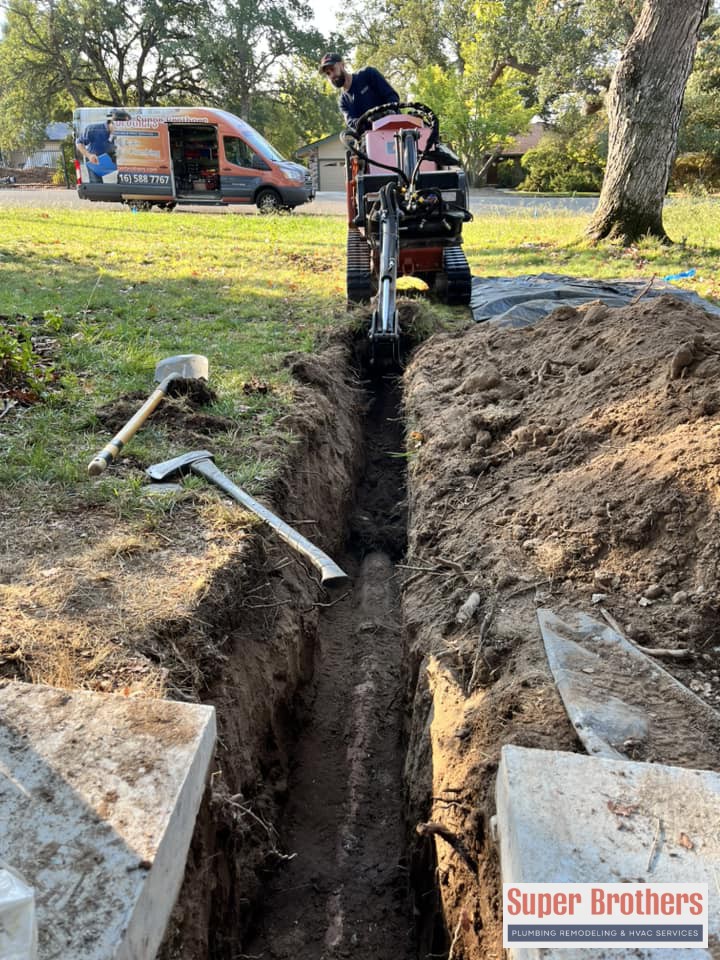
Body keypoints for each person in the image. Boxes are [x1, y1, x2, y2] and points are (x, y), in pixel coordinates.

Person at [319, 53, 399, 130]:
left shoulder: (368, 74)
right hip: (373, 136)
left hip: (396, 128)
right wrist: (368, 121)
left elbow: (392, 96)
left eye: (332, 69)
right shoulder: (343, 102)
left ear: (342, 64)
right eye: (328, 73)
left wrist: (384, 114)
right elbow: (352, 123)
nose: (332, 75)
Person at [76, 108, 130, 182]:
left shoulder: (122, 134)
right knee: (96, 184)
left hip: (112, 159)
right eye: (120, 126)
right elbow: (79, 143)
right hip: (94, 160)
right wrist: (89, 155)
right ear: (111, 122)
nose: (122, 129)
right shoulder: (93, 129)